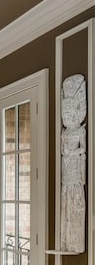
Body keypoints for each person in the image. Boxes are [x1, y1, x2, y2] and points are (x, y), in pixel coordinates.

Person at [60, 74, 87, 253]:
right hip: (66, 172)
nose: (67, 118)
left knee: (75, 203)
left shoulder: (79, 132)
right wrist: (67, 153)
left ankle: (75, 240)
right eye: (65, 115)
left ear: (77, 114)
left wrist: (72, 153)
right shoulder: (65, 133)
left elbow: (83, 150)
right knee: (65, 205)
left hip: (75, 171)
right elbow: (62, 150)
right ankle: (65, 238)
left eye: (70, 114)